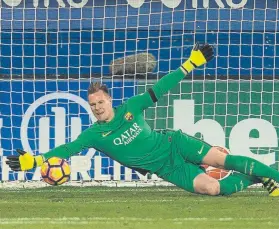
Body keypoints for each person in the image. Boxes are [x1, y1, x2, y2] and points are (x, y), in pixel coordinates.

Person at [6, 43, 279, 196]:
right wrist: (37, 160)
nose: (97, 107)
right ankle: (255, 178)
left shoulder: (131, 107)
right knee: (211, 188)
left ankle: (274, 176)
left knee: (222, 159)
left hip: (175, 143)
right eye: (92, 105)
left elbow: (160, 88)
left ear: (109, 100)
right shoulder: (93, 135)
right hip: (166, 168)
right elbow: (66, 150)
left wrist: (189, 64)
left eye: (100, 102)